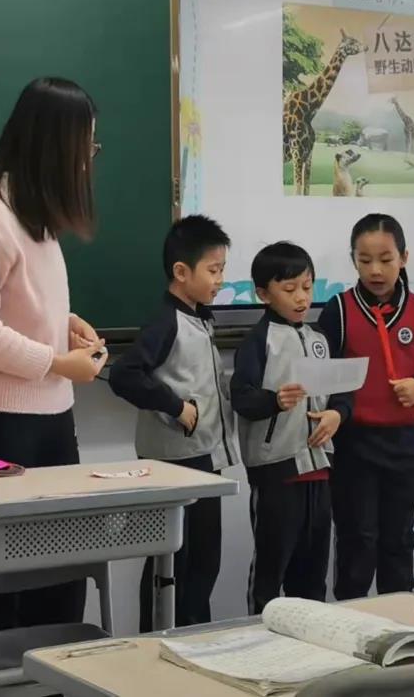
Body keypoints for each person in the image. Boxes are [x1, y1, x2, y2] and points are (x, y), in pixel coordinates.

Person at [0, 77, 107, 640]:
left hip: (52, 423)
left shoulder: (37, 219)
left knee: (59, 584)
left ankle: (51, 678)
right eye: (85, 145)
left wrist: (65, 323)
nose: (88, 160)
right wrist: (57, 363)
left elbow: (20, 304)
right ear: (54, 144)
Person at [108, 214, 241, 629]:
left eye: (222, 269)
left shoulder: (199, 316)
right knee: (171, 564)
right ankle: (158, 639)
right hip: (176, 463)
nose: (220, 280)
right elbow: (125, 375)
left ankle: (194, 636)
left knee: (203, 561)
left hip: (202, 457)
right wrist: (176, 407)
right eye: (213, 270)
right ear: (182, 272)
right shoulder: (167, 321)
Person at [317, 213, 414, 600]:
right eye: (365, 260)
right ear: (353, 260)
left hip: (404, 443)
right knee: (357, 540)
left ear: (404, 258)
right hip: (353, 443)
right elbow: (323, 374)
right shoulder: (338, 310)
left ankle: (400, 620)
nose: (375, 270)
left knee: (399, 539)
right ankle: (350, 620)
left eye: (386, 259)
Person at [231, 242, 351, 614]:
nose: (301, 297)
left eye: (307, 287)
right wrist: (274, 400)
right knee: (270, 572)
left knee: (313, 575)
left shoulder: (319, 339)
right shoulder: (258, 341)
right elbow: (241, 397)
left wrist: (337, 415)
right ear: (263, 294)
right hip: (277, 473)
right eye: (289, 289)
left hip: (319, 470)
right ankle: (261, 636)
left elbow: (340, 392)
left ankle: (310, 638)